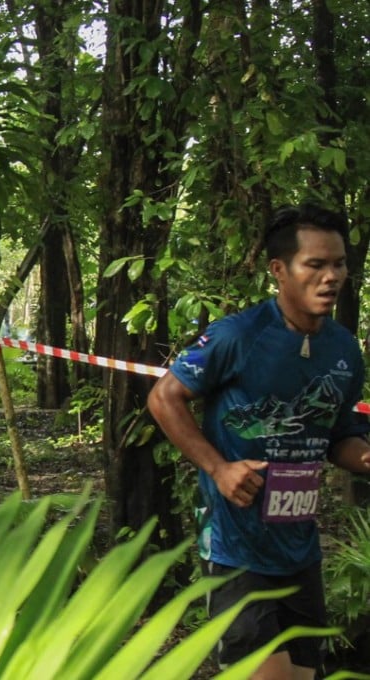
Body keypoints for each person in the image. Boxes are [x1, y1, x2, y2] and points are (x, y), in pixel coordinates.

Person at [147, 203, 370, 679]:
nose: (331, 277)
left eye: (339, 263)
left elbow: (340, 438)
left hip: (300, 549)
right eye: (315, 264)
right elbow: (165, 397)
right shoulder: (238, 335)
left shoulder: (345, 349)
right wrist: (219, 468)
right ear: (279, 270)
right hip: (235, 546)